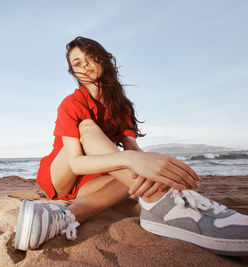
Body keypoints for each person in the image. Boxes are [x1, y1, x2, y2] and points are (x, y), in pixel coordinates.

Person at [14, 37, 248, 256]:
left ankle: (69, 216)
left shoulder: (121, 106)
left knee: (138, 192)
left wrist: (157, 173)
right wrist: (128, 160)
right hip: (63, 175)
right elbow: (75, 162)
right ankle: (173, 206)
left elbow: (133, 150)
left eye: (90, 58)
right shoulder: (72, 103)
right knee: (87, 128)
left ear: (103, 59)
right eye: (77, 63)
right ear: (73, 72)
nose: (85, 65)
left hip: (94, 180)